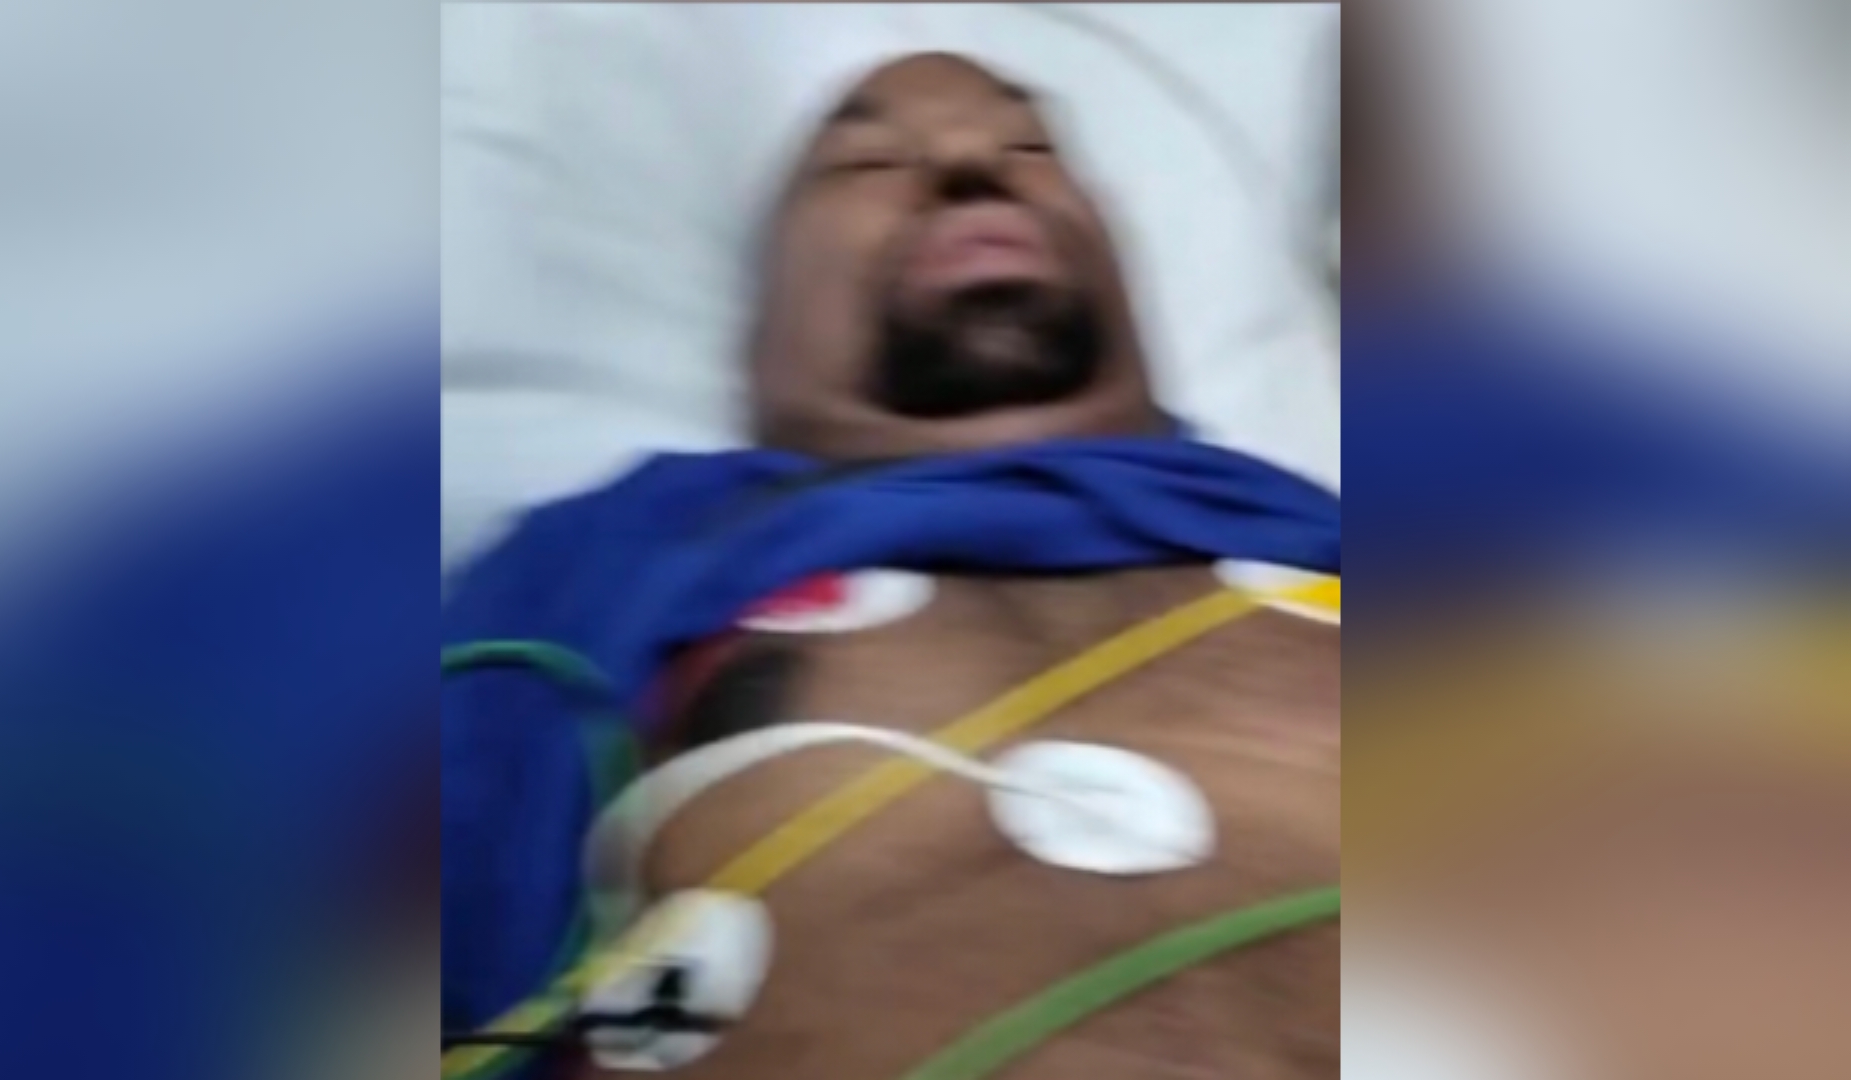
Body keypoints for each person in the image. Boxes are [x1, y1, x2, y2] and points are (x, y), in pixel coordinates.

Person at [442, 53, 1340, 1080]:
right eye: (868, 161)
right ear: (765, 322)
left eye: (1028, 148)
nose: (969, 167)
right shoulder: (613, 559)